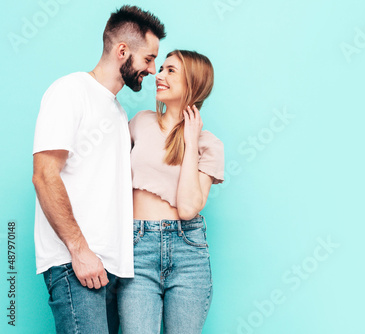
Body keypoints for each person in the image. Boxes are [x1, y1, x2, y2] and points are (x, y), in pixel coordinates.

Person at [31, 5, 165, 333]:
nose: (152, 70)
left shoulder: (117, 113)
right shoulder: (70, 91)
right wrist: (79, 250)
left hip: (111, 269)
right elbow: (44, 174)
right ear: (123, 51)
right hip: (77, 265)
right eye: (148, 58)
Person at [117, 50, 224, 334]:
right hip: (137, 246)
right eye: (161, 68)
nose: (159, 76)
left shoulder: (209, 145)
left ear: (193, 83)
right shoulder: (140, 122)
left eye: (170, 71)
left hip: (188, 250)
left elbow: (188, 208)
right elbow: (109, 174)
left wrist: (190, 142)